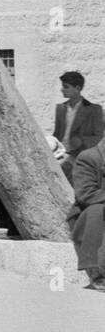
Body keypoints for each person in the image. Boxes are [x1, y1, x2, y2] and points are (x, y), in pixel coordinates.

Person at [53, 71, 104, 183]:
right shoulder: (60, 108)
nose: (62, 89)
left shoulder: (94, 109)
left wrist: (81, 140)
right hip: (59, 154)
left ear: (77, 88)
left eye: (66, 87)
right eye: (62, 86)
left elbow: (99, 137)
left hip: (79, 155)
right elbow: (56, 134)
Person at [69, 140, 105, 292]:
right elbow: (86, 194)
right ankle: (97, 273)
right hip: (91, 213)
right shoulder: (88, 158)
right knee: (98, 210)